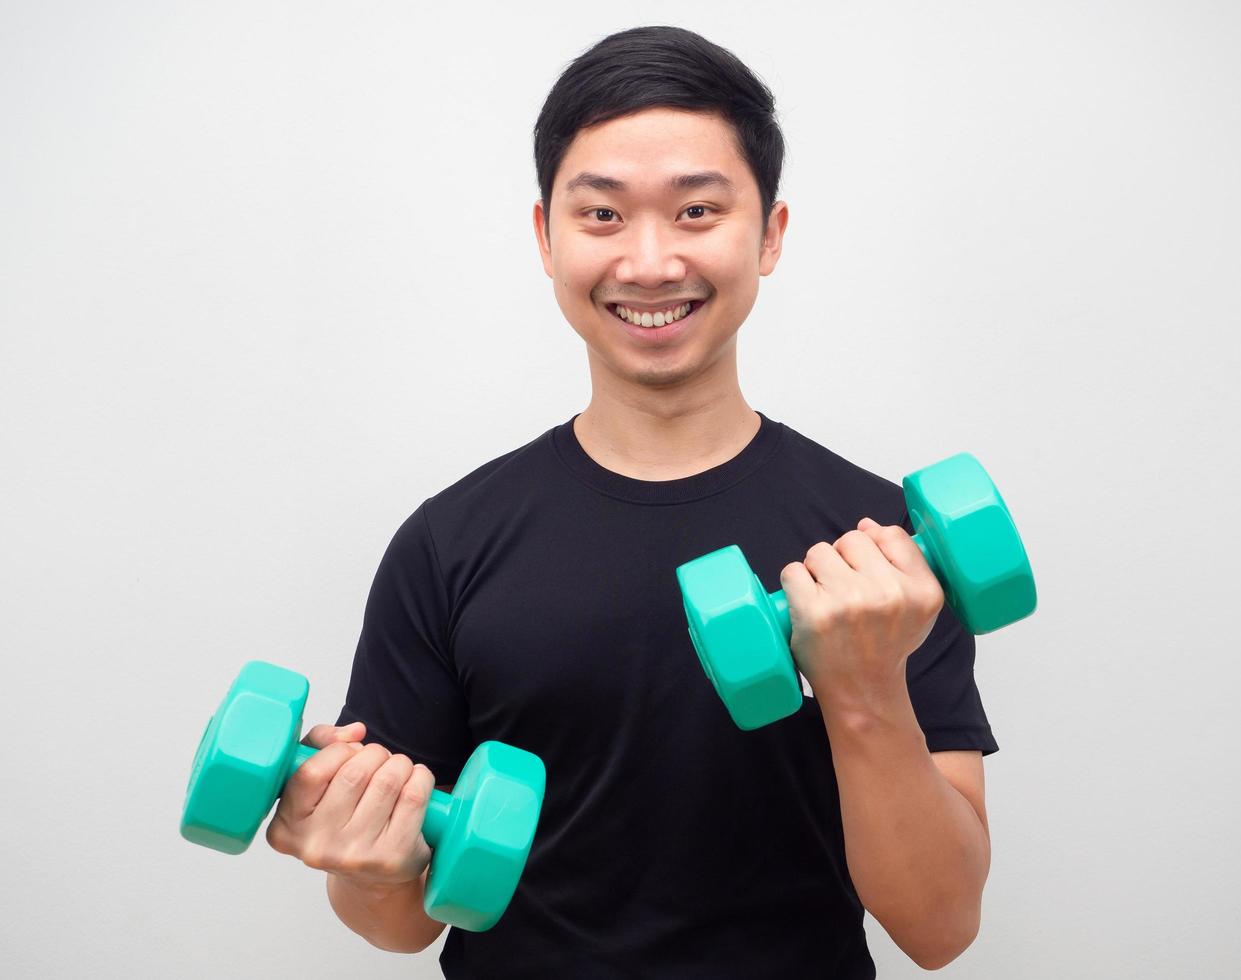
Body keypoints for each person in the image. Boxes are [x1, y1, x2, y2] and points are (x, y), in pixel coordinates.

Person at [264, 25, 997, 978]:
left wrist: (860, 689)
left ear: (769, 233)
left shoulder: (883, 555)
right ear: (546, 237)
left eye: (697, 211)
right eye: (602, 217)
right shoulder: (447, 544)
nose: (649, 264)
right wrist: (367, 865)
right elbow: (404, 923)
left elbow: (937, 929)